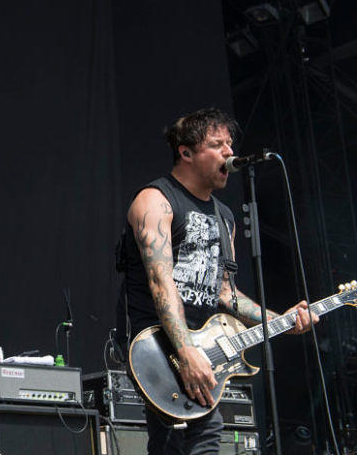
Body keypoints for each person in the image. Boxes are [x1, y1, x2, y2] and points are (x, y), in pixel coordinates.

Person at [116, 108, 318, 454]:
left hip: (204, 345)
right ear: (186, 152)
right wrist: (185, 350)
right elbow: (160, 283)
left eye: (230, 143)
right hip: (157, 345)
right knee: (184, 438)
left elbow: (226, 294)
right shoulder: (156, 201)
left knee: (195, 441)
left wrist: (279, 321)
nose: (229, 152)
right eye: (217, 144)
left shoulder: (224, 218)